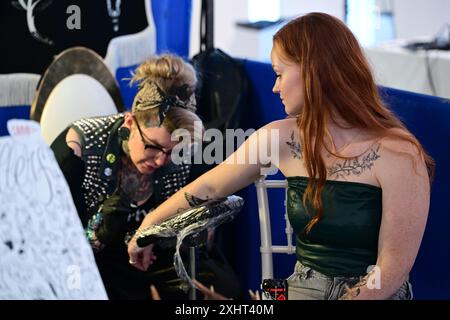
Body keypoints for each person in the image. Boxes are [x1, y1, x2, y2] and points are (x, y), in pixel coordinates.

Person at [127, 13, 434, 300]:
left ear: (313, 71)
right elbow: (208, 188)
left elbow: (391, 270)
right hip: (302, 288)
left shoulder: (399, 153)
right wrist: (148, 229)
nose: (274, 87)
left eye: (279, 73)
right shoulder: (279, 137)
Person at [51, 54, 242, 300]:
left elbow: (204, 237)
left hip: (156, 258)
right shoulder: (79, 149)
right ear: (130, 122)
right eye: (152, 146)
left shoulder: (188, 153)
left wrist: (162, 235)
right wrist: (104, 227)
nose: (161, 160)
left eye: (172, 151)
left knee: (222, 288)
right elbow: (52, 243)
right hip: (95, 263)